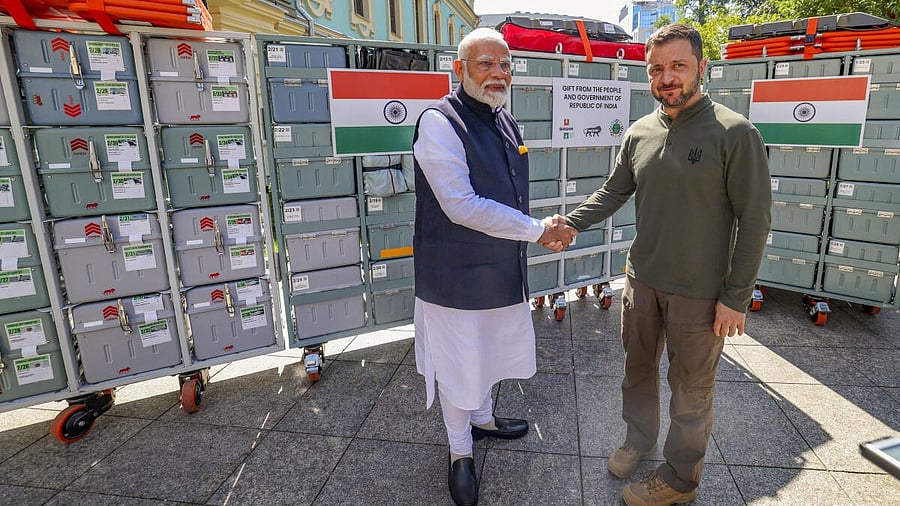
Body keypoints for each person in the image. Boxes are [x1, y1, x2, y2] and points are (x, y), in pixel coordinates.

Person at [563, 24, 772, 506]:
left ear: (701, 67)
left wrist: (735, 299)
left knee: (690, 390)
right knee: (637, 371)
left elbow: (755, 221)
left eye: (678, 66)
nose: (667, 77)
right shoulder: (640, 132)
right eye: (657, 69)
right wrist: (570, 224)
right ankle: (639, 440)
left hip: (700, 295)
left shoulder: (736, 132)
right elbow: (614, 191)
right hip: (642, 283)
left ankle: (680, 479)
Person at [412, 28, 575, 506]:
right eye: (486, 64)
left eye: (505, 65)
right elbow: (461, 204)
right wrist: (537, 229)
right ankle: (460, 453)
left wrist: (538, 228)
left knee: (487, 351)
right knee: (458, 360)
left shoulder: (505, 119)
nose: (499, 73)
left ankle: (482, 419)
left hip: (499, 268)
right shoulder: (439, 122)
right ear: (459, 70)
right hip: (454, 275)